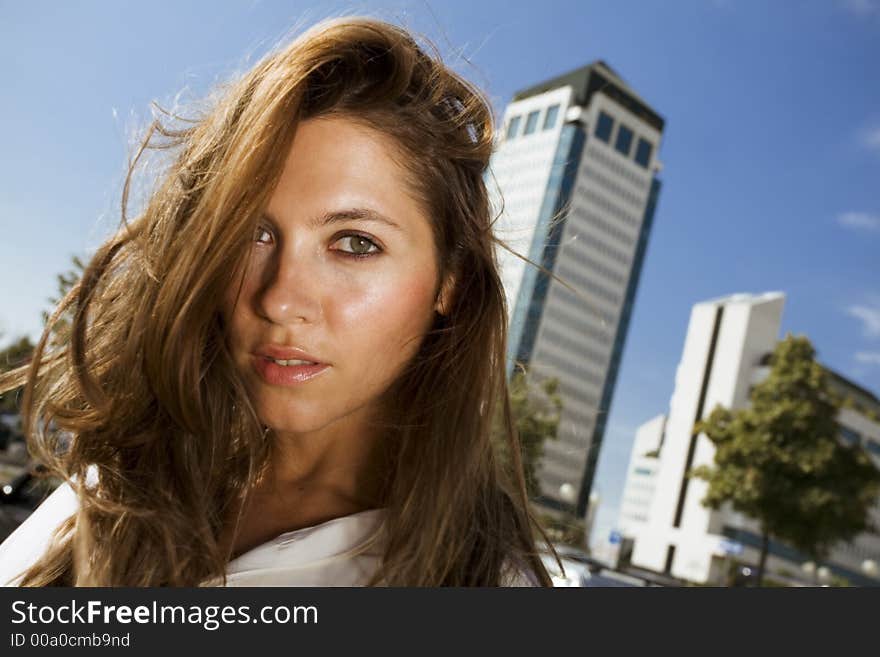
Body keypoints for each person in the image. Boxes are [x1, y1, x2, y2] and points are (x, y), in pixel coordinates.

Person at [0, 15, 554, 587]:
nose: (281, 300)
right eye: (251, 234)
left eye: (355, 243)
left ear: (450, 282)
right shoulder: (122, 481)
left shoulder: (484, 584)